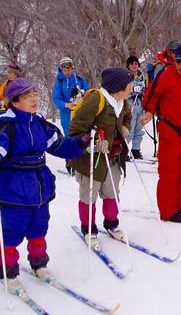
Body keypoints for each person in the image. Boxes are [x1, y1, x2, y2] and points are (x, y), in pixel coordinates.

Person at [0, 78, 88, 293]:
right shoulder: (4, 126)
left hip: (40, 188)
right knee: (12, 231)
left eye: (35, 94)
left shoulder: (39, 124)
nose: (35, 99)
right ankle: (8, 271)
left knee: (39, 228)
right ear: (15, 101)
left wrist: (80, 142)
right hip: (14, 191)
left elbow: (59, 145)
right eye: (28, 96)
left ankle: (39, 264)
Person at [68, 68, 133, 244]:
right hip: (91, 160)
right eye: (129, 85)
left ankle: (111, 223)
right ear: (119, 88)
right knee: (89, 195)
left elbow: (127, 116)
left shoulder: (121, 102)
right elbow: (74, 131)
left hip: (112, 157)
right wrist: (94, 143)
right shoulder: (95, 100)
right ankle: (88, 228)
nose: (131, 88)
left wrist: (125, 128)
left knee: (112, 193)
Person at [141, 44, 181, 222]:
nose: (180, 65)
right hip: (170, 130)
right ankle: (167, 212)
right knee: (169, 172)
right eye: (178, 61)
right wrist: (148, 111)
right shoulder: (166, 75)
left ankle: (179, 204)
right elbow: (151, 96)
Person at [52, 57, 90, 136]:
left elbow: (89, 92)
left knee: (84, 136)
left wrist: (82, 94)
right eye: (65, 70)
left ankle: (85, 148)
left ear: (72, 68)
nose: (67, 72)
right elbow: (56, 99)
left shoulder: (80, 79)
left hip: (81, 112)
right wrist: (66, 105)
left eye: (69, 69)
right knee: (70, 136)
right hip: (66, 114)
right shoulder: (59, 82)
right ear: (61, 69)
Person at [126, 56, 146, 159]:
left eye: (136, 64)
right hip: (130, 106)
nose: (134, 66)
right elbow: (122, 92)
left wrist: (142, 91)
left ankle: (136, 149)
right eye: (132, 64)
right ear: (128, 65)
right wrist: (132, 91)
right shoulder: (125, 76)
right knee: (129, 129)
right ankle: (124, 150)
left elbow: (145, 89)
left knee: (139, 129)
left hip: (140, 105)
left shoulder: (141, 76)